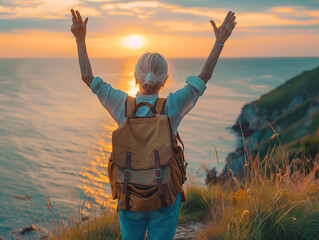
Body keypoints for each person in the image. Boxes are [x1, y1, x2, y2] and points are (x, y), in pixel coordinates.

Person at [70, 8, 236, 240]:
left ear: (135, 78)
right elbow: (203, 77)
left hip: (129, 195)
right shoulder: (172, 106)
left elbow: (88, 78)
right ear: (165, 80)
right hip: (164, 195)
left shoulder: (121, 105)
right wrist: (219, 42)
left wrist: (80, 39)